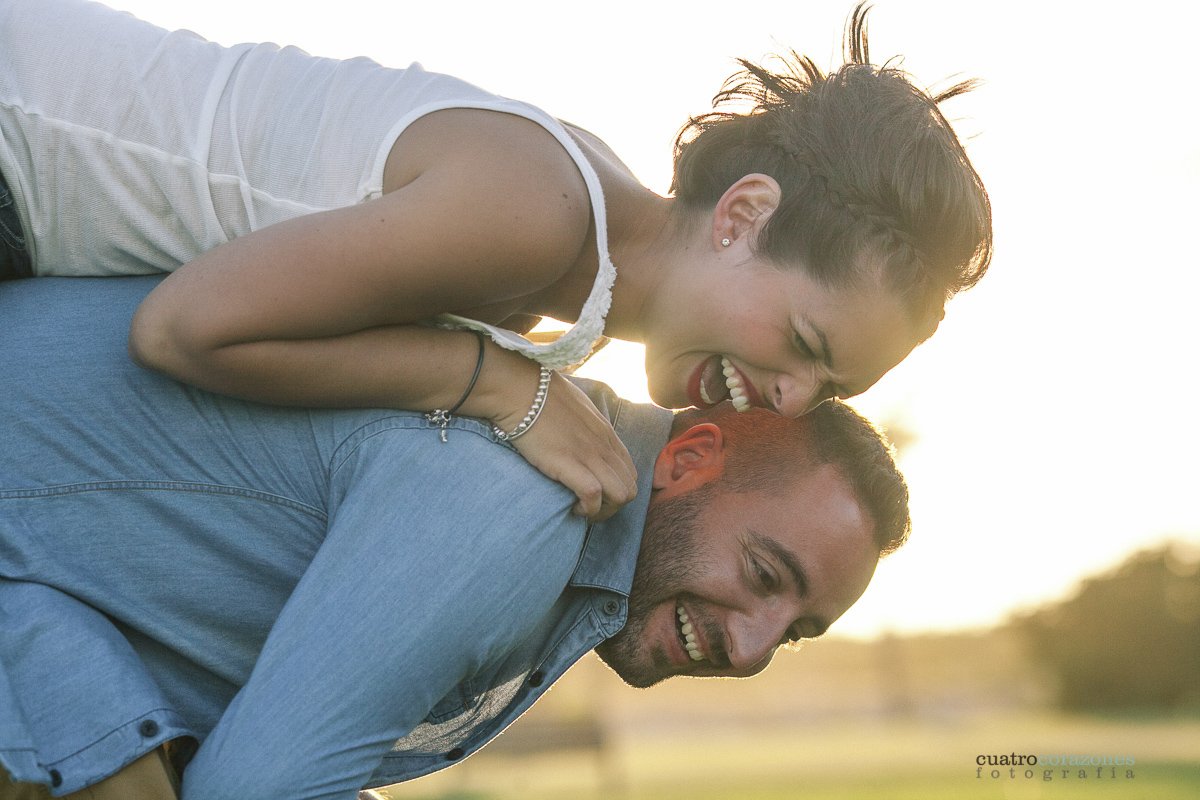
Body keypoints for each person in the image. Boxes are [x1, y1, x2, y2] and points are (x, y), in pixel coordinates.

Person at [0, 0, 991, 520]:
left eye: (827, 387)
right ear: (742, 215)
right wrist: (495, 385)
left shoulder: (568, 258)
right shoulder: (540, 217)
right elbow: (183, 328)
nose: (786, 396)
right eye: (804, 341)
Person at [0, 276, 911, 799]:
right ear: (692, 457)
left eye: (793, 631)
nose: (751, 649)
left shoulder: (579, 549)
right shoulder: (519, 505)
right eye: (763, 574)